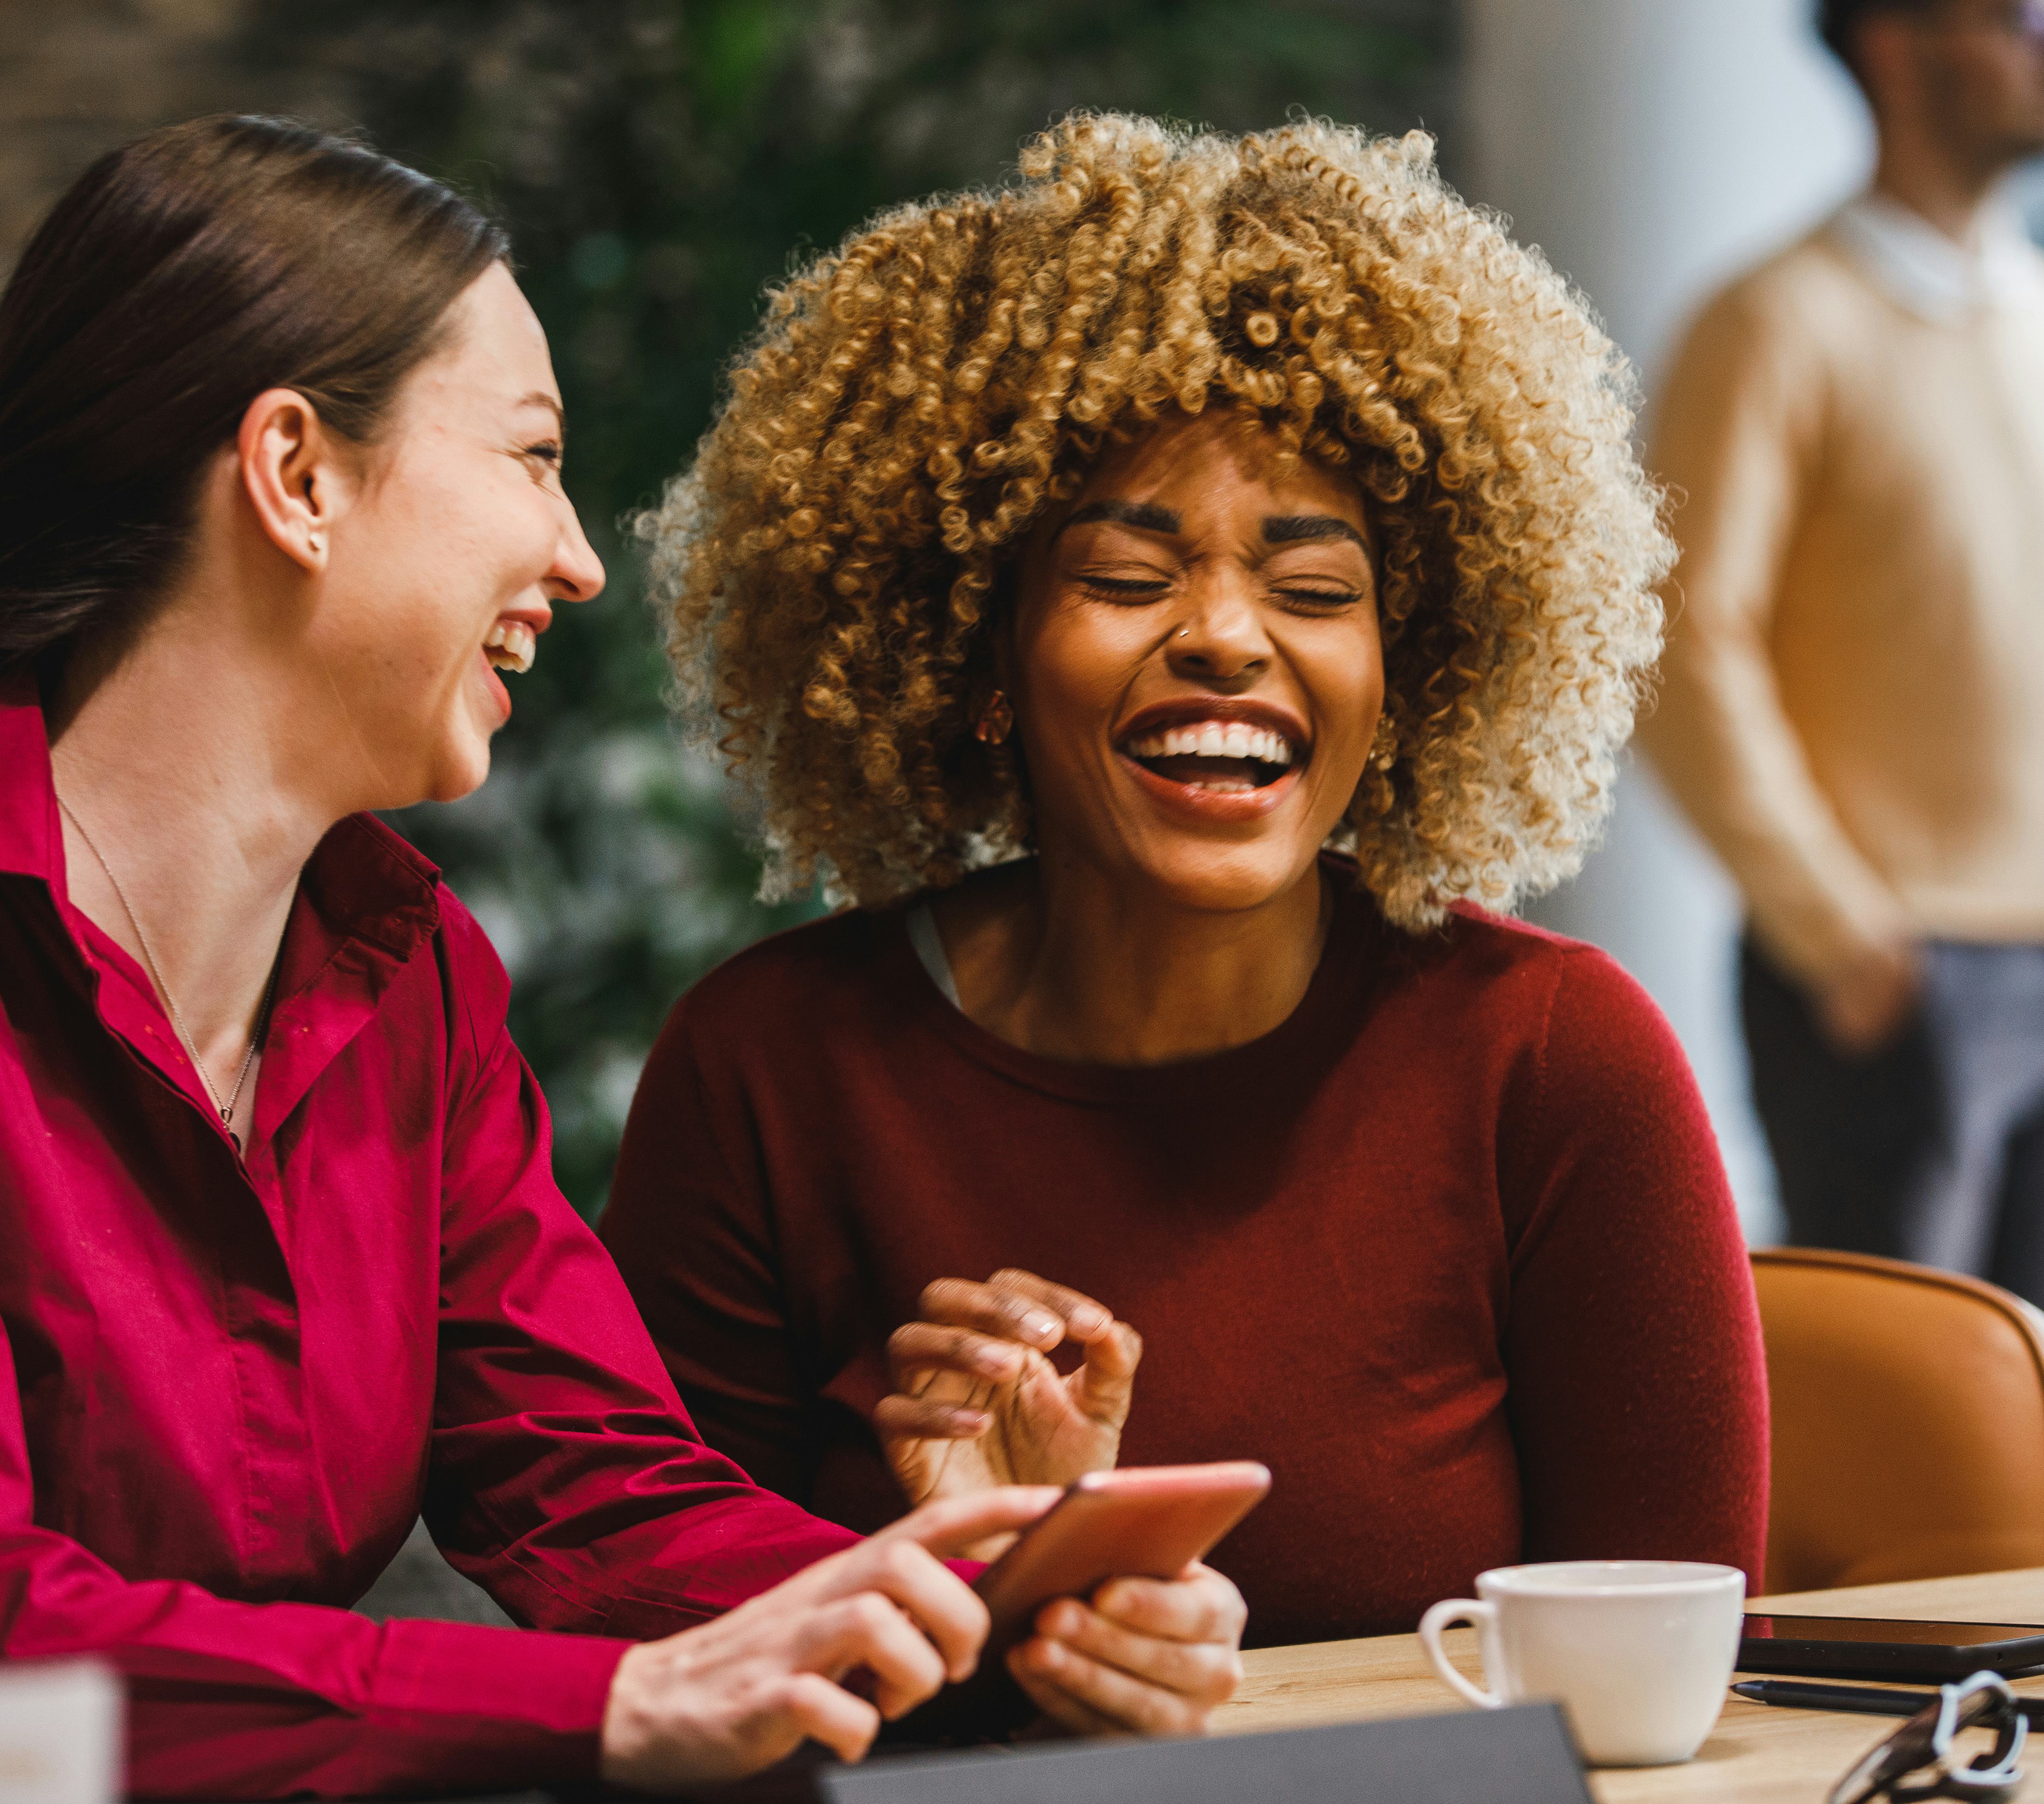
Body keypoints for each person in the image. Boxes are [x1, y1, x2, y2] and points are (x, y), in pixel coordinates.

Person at [0, 115, 1243, 1801]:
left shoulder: (410, 976)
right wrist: (611, 1710)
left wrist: (988, 1611)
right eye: (533, 457)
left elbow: (595, 1486)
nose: (578, 557)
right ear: (298, 477)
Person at [599, 114, 1771, 1650]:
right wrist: (991, 1596)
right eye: (1128, 579)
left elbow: (1668, 1687)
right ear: (983, 652)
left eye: (1313, 589)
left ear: (1402, 677)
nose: (1226, 635)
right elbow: (653, 1671)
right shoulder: (772, 1070)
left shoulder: (1550, 1059)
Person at [1638, 0, 2044, 1360]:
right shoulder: (1774, 322)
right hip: (1900, 975)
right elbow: (1680, 648)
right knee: (1908, 1425)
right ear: (1894, 41)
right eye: (2027, 12)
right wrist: (1840, 930)